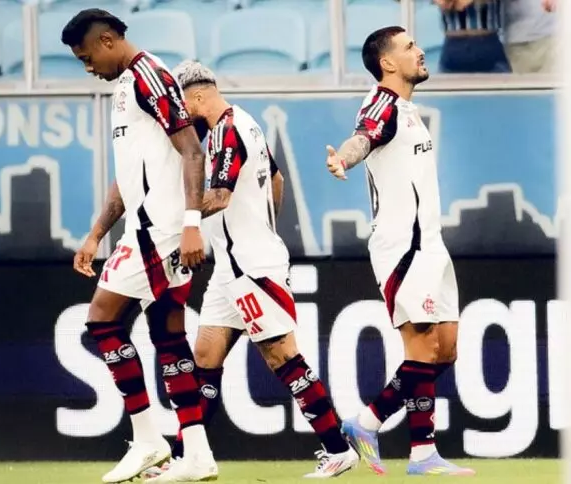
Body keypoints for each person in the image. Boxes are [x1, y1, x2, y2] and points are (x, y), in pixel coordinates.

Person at [144, 60, 359, 481]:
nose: (179, 114)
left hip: (251, 266)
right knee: (204, 358)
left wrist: (179, 221)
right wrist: (262, 225)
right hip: (230, 267)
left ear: (196, 96)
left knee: (282, 355)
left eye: (181, 104)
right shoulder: (245, 123)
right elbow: (276, 180)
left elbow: (221, 196)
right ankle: (188, 456)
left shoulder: (227, 129)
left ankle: (338, 449)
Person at [61, 8, 216, 483]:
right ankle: (197, 454)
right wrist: (96, 233)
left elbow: (191, 150)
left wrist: (191, 223)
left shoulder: (150, 76)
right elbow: (129, 176)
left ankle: (148, 439)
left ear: (108, 40)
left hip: (162, 230)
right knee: (168, 338)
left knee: (101, 321)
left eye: (87, 57)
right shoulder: (127, 86)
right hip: (149, 228)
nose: (88, 67)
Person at [325, 26, 475, 477]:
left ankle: (367, 422)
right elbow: (363, 137)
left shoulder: (407, 110)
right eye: (409, 47)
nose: (420, 51)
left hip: (430, 243)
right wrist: (343, 159)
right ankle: (422, 453)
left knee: (445, 349)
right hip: (403, 246)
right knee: (422, 345)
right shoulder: (382, 104)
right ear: (387, 62)